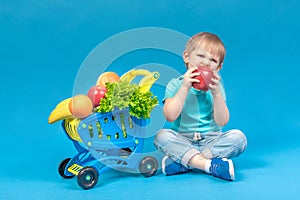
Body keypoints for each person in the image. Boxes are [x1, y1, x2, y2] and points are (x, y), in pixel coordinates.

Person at [154, 32, 247, 181]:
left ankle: (185, 161)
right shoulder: (175, 84)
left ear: (219, 67)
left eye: (212, 59)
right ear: (186, 57)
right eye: (200, 56)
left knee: (239, 138)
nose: (206, 63)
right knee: (161, 136)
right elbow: (170, 116)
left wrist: (216, 93)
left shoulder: (216, 87)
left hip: (211, 142)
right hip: (182, 138)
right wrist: (184, 87)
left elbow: (222, 121)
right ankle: (209, 165)